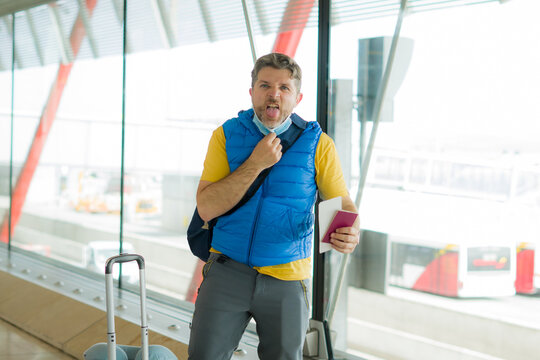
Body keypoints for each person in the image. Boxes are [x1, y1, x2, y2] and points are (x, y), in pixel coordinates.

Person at [188, 53, 359, 360]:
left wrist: (349, 231)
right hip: (227, 269)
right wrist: (255, 164)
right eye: (265, 85)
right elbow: (206, 207)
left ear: (298, 97)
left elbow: (341, 201)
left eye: (284, 88)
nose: (274, 94)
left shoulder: (319, 144)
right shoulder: (226, 135)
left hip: (287, 277)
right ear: (251, 91)